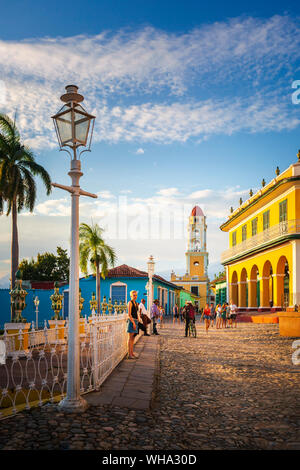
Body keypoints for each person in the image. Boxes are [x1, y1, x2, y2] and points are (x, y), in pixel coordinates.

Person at [127, 290, 139, 359]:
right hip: (132, 321)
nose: (135, 296)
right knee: (130, 338)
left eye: (136, 295)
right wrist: (134, 323)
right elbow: (129, 314)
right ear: (131, 296)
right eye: (134, 295)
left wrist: (138, 320)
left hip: (136, 321)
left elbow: (136, 313)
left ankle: (132, 353)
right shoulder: (130, 303)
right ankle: (129, 354)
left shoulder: (136, 303)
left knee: (133, 338)